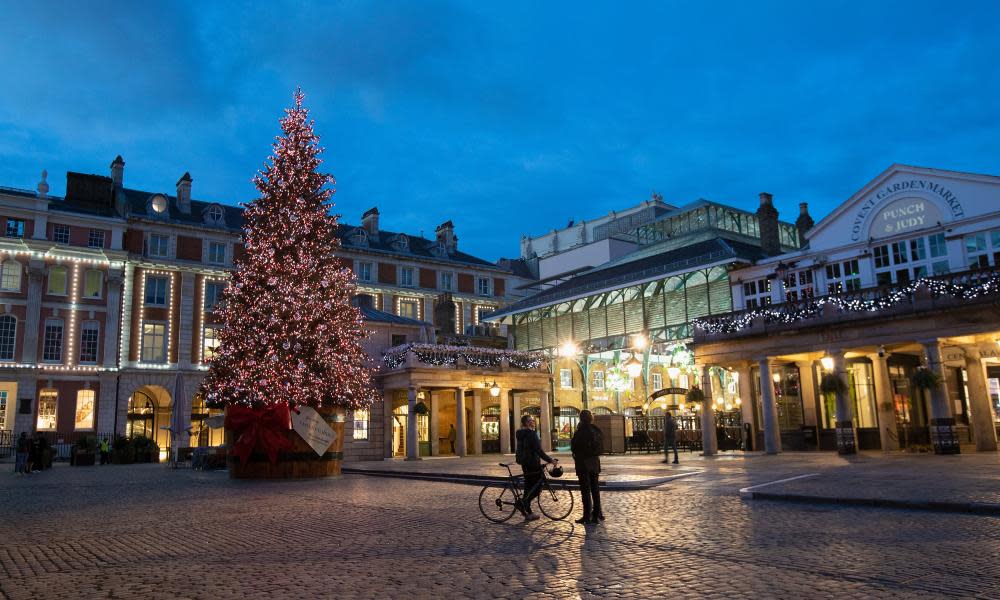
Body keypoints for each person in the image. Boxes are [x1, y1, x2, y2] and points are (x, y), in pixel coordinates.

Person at [515, 414, 557, 522]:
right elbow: (538, 450)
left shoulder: (520, 433)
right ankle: (524, 503)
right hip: (532, 463)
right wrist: (550, 460)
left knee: (528, 487)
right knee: (538, 486)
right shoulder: (531, 434)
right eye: (530, 421)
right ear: (526, 423)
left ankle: (528, 512)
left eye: (532, 420)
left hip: (525, 463)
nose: (532, 422)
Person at [571, 409, 604, 524]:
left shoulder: (581, 431)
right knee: (595, 489)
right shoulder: (595, 430)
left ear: (580, 418)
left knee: (585, 490)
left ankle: (586, 516)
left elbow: (574, 446)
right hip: (594, 462)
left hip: (583, 464)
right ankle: (597, 514)